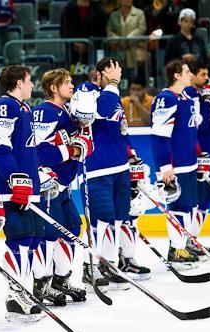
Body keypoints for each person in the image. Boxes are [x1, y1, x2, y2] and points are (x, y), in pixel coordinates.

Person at [77, 57, 149, 290]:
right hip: (98, 168)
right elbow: (104, 111)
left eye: (116, 73)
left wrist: (131, 153)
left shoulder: (112, 96)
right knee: (101, 218)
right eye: (109, 73)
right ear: (97, 75)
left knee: (119, 217)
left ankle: (108, 264)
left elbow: (121, 128)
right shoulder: (86, 90)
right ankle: (92, 267)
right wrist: (112, 85)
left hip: (120, 166)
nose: (114, 77)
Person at [0, 65, 44, 321]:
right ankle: (16, 293)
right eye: (30, 80)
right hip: (12, 189)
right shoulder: (3, 105)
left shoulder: (25, 108)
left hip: (28, 186)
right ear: (19, 82)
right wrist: (15, 177)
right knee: (20, 240)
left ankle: (19, 292)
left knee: (31, 240)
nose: (33, 85)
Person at [33, 68, 92, 305]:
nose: (72, 86)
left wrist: (83, 141)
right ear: (53, 88)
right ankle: (42, 283)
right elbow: (36, 150)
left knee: (71, 227)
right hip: (49, 185)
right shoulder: (44, 111)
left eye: (71, 81)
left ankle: (61, 278)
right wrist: (71, 150)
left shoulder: (71, 112)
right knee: (50, 233)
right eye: (66, 83)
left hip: (65, 185)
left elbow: (85, 148)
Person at [151, 60, 200, 264]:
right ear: (176, 75)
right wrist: (165, 166)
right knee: (178, 207)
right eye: (187, 72)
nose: (191, 75)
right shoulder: (166, 99)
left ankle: (184, 243)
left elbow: (191, 130)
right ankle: (176, 250)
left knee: (190, 205)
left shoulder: (186, 98)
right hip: (175, 165)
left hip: (189, 162)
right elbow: (160, 135)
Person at [187, 59, 210, 255]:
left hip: (208, 155)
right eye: (203, 75)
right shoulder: (191, 96)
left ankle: (193, 240)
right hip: (197, 156)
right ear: (192, 75)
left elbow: (209, 125)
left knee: (206, 199)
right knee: (196, 200)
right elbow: (201, 125)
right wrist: (208, 103)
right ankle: (187, 242)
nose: (207, 79)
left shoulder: (200, 95)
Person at [106, 0, 147, 70]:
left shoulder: (139, 13)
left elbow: (142, 28)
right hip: (118, 50)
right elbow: (109, 29)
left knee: (134, 76)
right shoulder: (114, 15)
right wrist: (117, 39)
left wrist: (129, 38)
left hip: (134, 50)